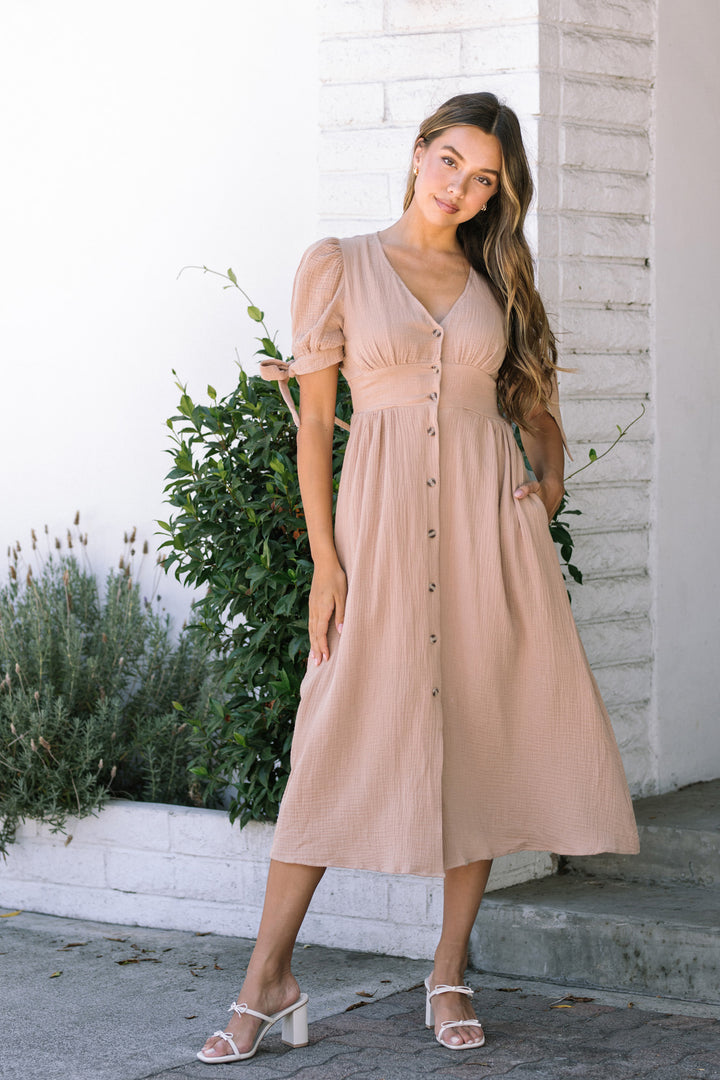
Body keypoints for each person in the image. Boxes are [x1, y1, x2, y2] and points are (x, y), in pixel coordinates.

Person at [197, 92, 640, 1064]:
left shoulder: (498, 280)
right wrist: (326, 562)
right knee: (331, 737)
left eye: (484, 180)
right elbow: (315, 427)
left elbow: (533, 400)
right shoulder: (342, 266)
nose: (462, 189)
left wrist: (550, 481)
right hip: (381, 534)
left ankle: (449, 969)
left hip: (491, 537)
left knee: (477, 732)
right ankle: (267, 977)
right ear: (416, 154)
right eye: (450, 163)